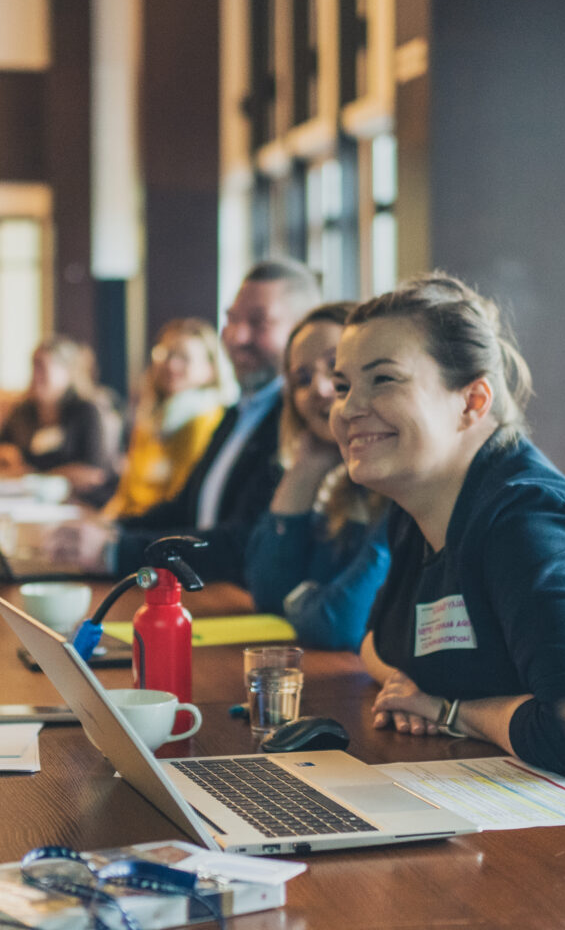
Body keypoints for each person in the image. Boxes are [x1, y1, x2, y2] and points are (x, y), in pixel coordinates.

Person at [333, 274, 565, 780]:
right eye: (343, 385)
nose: (347, 408)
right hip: (525, 800)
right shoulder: (416, 504)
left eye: (383, 379)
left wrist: (451, 710)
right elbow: (377, 642)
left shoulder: (527, 521)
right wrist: (422, 693)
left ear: (472, 402)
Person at [47, 258, 321, 584]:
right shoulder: (237, 412)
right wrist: (112, 529)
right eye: (231, 320)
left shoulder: (298, 423)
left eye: (258, 323)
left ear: (303, 332)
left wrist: (117, 550)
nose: (236, 336)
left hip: (240, 605)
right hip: (203, 595)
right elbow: (185, 509)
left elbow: (242, 542)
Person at [244, 302, 392, 650]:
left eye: (337, 370)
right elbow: (267, 593)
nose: (320, 389)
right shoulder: (341, 484)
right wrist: (304, 471)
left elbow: (340, 624)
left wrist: (298, 604)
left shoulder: (402, 482)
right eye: (303, 379)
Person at [104, 319, 234, 518]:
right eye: (166, 354)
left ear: (210, 369)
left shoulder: (210, 423)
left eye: (184, 357)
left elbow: (180, 505)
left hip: (159, 535)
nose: (172, 365)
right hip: (129, 527)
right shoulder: (150, 420)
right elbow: (124, 495)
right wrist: (101, 524)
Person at [0, 336, 118, 507]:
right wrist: (6, 454)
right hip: (29, 502)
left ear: (66, 372)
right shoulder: (24, 410)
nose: (35, 376)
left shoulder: (85, 411)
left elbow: (93, 474)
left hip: (78, 504)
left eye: (42, 367)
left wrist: (35, 475)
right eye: (33, 366)